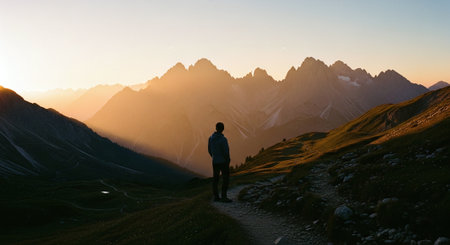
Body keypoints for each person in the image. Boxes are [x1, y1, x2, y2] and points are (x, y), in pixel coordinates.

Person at [208, 122, 232, 202]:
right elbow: (226, 151)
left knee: (215, 179)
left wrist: (214, 156)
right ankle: (224, 197)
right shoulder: (223, 139)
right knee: (225, 178)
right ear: (223, 129)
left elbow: (209, 150)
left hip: (215, 161)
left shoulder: (211, 138)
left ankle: (216, 197)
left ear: (216, 128)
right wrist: (227, 159)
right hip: (223, 162)